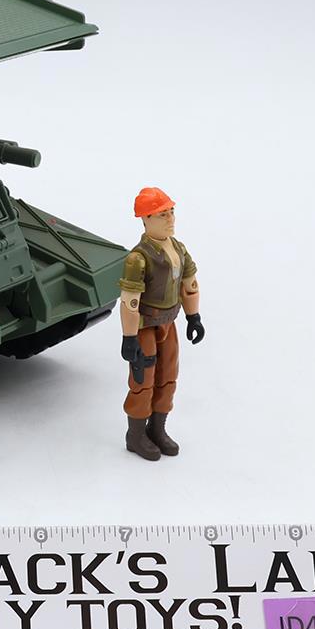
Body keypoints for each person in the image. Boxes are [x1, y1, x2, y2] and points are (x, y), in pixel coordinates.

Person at [118, 187, 206, 460]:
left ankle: (157, 429)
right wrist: (129, 337)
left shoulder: (178, 249)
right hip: (145, 326)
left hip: (169, 324)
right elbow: (130, 301)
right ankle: (135, 435)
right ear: (145, 219)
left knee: (167, 377)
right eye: (162, 214)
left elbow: (189, 285)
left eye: (171, 212)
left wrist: (193, 316)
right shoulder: (138, 258)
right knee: (143, 381)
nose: (170, 219)